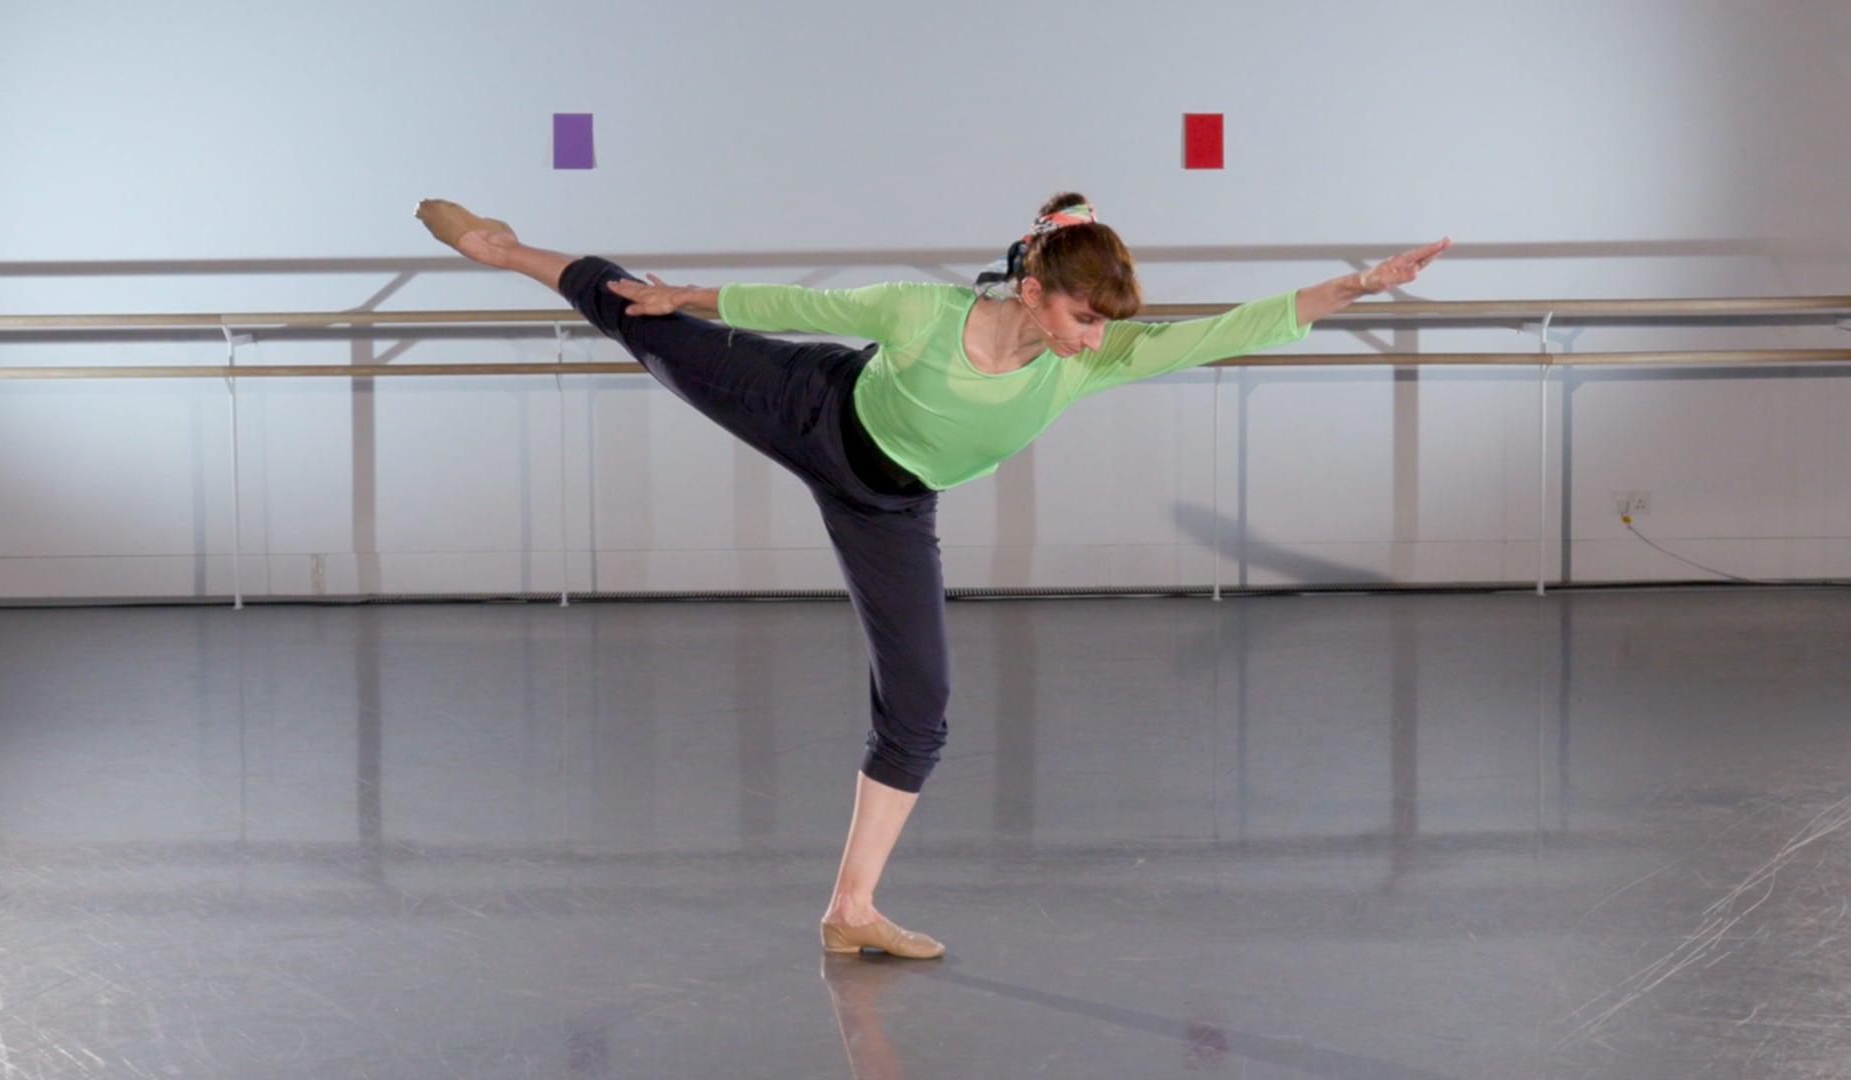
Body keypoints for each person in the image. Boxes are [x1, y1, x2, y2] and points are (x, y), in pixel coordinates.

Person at [415, 194, 1449, 958]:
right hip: (811, 406)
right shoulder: (923, 312)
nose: (1096, 339)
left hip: (890, 508)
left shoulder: (1089, 358)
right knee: (656, 327)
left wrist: (1353, 285)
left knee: (922, 706)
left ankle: (850, 909)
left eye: (1103, 326)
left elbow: (1223, 333)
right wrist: (686, 290)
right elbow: (796, 302)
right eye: (1085, 318)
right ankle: (513, 252)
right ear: (1035, 291)